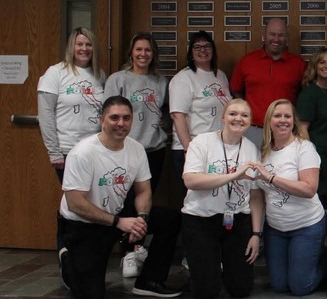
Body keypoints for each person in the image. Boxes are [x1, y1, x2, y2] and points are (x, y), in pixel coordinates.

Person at [57, 96, 182, 299]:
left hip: (116, 215)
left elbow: (143, 191)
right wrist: (119, 222)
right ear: (101, 119)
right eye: (114, 118)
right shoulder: (83, 153)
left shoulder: (136, 149)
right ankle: (66, 257)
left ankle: (149, 281)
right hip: (83, 223)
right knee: (90, 298)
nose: (121, 123)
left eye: (126, 118)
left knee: (170, 219)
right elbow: (75, 203)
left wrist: (141, 219)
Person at [181, 98, 264, 299]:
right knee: (206, 292)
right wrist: (234, 175)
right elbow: (190, 180)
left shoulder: (252, 149)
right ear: (223, 118)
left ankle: (218, 265)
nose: (238, 119)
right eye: (233, 114)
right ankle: (202, 267)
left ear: (250, 121)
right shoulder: (202, 142)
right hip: (201, 219)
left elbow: (255, 195)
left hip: (237, 220)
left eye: (244, 115)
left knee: (240, 289)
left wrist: (256, 233)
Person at [251, 99, 327, 296]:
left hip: (306, 225)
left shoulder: (304, 148)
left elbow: (309, 189)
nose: (282, 120)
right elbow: (257, 196)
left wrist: (272, 178)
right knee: (279, 285)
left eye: (287, 116)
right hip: (276, 229)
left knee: (300, 286)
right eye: (277, 116)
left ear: (294, 121)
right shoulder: (262, 152)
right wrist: (256, 233)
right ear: (269, 121)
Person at [38, 27, 107, 181]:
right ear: (71, 47)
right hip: (67, 150)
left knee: (95, 197)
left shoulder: (100, 75)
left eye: (89, 45)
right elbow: (45, 115)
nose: (84, 49)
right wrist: (54, 152)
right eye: (79, 44)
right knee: (76, 199)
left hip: (95, 148)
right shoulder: (56, 72)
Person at [105, 33, 168, 194]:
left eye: (148, 50)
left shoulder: (161, 81)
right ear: (131, 53)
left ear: (153, 54)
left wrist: (165, 121)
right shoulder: (117, 79)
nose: (143, 54)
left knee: (146, 197)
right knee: (123, 197)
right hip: (125, 148)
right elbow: (107, 115)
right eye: (138, 49)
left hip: (154, 150)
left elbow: (168, 111)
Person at [169, 30, 231, 187]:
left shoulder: (221, 76)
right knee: (194, 200)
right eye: (197, 47)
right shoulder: (183, 78)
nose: (202, 50)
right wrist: (189, 150)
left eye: (207, 46)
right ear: (191, 52)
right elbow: (178, 116)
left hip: (217, 146)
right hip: (191, 148)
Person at [230, 17, 306, 147]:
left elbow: (305, 97)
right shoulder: (247, 61)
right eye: (272, 34)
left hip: (285, 130)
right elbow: (235, 90)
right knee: (251, 166)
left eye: (281, 35)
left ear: (286, 38)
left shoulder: (299, 64)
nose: (276, 39)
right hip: (253, 130)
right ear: (264, 35)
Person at [296, 47, 327, 206]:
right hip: (319, 155)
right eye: (322, 62)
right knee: (320, 199)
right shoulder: (309, 94)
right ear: (315, 66)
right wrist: (310, 157)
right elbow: (302, 129)